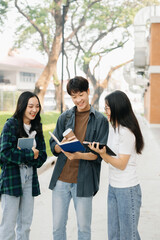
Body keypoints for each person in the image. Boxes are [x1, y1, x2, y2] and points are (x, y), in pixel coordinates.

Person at [49, 76, 109, 240]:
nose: (78, 100)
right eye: (73, 97)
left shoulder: (100, 121)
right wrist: (60, 146)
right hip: (61, 180)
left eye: (80, 95)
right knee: (57, 227)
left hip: (84, 181)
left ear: (88, 92)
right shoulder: (65, 117)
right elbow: (52, 146)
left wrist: (77, 155)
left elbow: (98, 155)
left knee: (83, 229)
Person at [89, 90, 144, 240]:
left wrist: (102, 154)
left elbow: (121, 164)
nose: (105, 111)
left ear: (117, 108)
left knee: (128, 235)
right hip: (113, 187)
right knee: (114, 234)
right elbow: (109, 159)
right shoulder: (113, 129)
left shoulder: (126, 132)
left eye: (107, 107)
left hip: (128, 189)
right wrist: (100, 151)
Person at [0, 91, 47, 240]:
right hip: (12, 178)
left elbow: (43, 156)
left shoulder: (37, 127)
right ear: (22, 106)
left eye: (37, 106)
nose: (34, 110)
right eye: (30, 106)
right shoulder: (11, 125)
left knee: (25, 225)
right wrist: (30, 155)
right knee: (8, 226)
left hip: (30, 177)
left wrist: (32, 156)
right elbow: (5, 154)